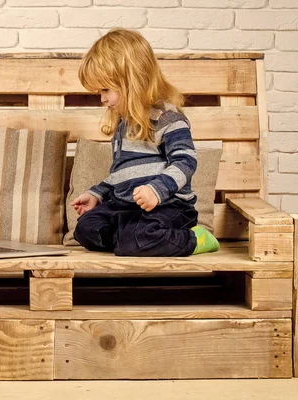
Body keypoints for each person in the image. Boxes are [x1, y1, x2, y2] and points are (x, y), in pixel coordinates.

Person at [71, 28, 219, 257]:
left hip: (168, 207)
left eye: (106, 89)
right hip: (127, 209)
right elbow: (121, 175)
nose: (102, 98)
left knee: (135, 239)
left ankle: (194, 239)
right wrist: (97, 194)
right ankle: (132, 239)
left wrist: (156, 190)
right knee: (85, 229)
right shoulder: (123, 126)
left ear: (133, 80)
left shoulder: (168, 117)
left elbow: (185, 162)